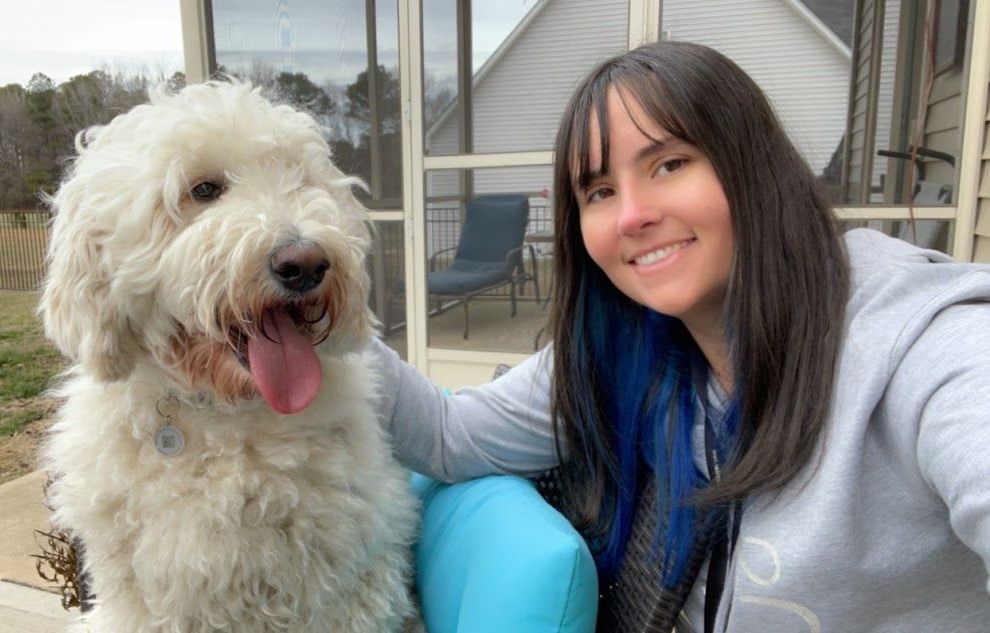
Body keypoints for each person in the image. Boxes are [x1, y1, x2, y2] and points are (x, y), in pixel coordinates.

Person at [370, 41, 990, 632]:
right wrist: (323, 321)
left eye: (669, 164)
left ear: (752, 163)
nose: (632, 215)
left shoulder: (920, 346)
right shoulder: (622, 347)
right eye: (600, 191)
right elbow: (450, 437)